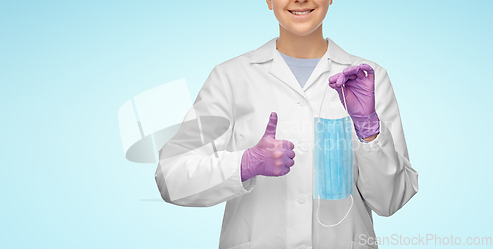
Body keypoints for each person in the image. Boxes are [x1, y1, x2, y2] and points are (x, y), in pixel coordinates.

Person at [155, 0, 419, 248]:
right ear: (268, 0)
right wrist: (243, 164)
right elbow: (171, 178)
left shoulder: (367, 78)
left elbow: (391, 201)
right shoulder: (231, 78)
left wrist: (369, 132)